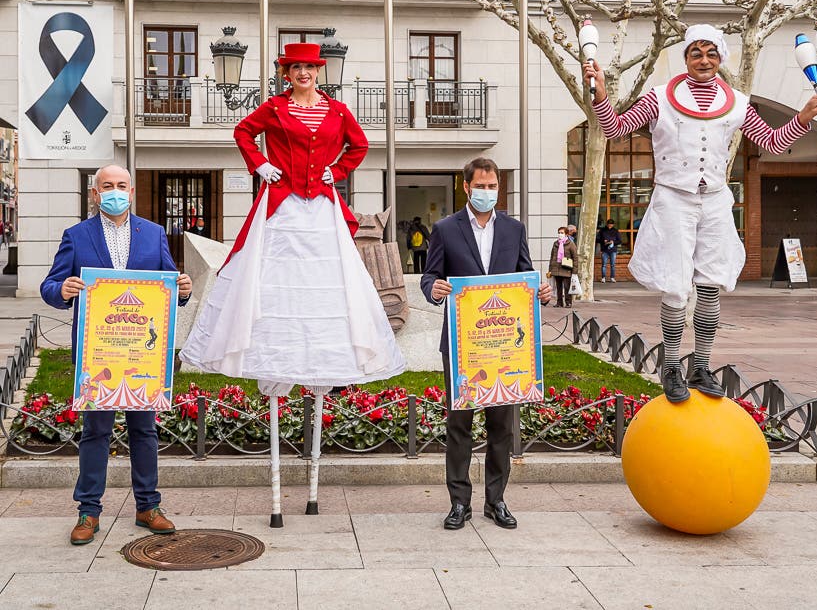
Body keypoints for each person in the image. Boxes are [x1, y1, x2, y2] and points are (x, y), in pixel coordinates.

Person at [584, 24, 817, 403]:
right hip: (672, 199)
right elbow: (615, 129)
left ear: (721, 59)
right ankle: (670, 366)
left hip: (715, 199)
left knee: (711, 285)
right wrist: (600, 92)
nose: (703, 60)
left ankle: (700, 365)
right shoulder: (660, 98)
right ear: (685, 57)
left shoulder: (736, 101)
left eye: (711, 53)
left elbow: (771, 142)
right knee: (675, 288)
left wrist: (803, 116)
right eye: (696, 52)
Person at [182, 42, 406, 392]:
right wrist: (261, 164)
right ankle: (273, 356)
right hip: (282, 203)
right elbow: (243, 132)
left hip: (321, 206)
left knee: (324, 279)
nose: (303, 73)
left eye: (310, 67)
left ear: (319, 72)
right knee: (274, 274)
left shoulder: (339, 112)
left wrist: (340, 169)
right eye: (295, 68)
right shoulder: (273, 108)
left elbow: (359, 145)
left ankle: (322, 361)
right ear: (286, 74)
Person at [39, 164, 193, 546]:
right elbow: (49, 285)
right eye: (106, 186)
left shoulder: (154, 233)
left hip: (142, 354)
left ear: (132, 191)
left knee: (144, 430)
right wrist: (65, 289)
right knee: (96, 431)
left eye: (121, 185)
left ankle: (148, 507)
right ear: (95, 193)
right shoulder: (76, 235)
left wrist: (184, 288)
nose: (114, 191)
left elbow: (169, 283)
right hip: (99, 352)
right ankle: (88, 511)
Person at [420, 157, 552, 531]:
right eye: (481, 186)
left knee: (501, 427)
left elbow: (525, 274)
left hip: (505, 345)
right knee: (459, 425)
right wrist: (434, 288)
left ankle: (496, 501)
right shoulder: (445, 229)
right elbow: (430, 275)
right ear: (466, 187)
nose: (487, 192)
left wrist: (540, 291)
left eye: (493, 187)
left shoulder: (513, 229)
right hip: (464, 345)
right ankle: (459, 503)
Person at [547, 225, 578, 308]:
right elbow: (552, 256)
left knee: (567, 287)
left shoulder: (571, 244)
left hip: (566, 269)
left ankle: (568, 302)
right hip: (557, 268)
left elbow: (575, 258)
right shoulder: (555, 243)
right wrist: (550, 269)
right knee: (558, 287)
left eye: (562, 233)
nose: (560, 234)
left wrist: (574, 271)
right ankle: (559, 302)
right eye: (559, 233)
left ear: (566, 234)